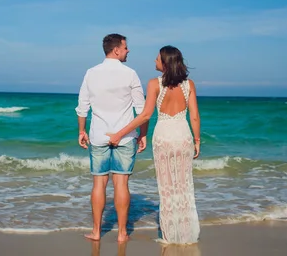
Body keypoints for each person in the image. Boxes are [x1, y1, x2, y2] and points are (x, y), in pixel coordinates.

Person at [108, 45, 201, 244]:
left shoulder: (154, 84)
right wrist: (197, 140)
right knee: (184, 185)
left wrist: (120, 133)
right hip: (183, 135)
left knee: (167, 187)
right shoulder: (189, 85)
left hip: (164, 137)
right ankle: (187, 234)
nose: (154, 61)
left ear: (165, 62)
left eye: (157, 58)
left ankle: (170, 235)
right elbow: (194, 116)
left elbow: (146, 115)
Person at [75, 33, 148, 243]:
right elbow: (141, 109)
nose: (128, 50)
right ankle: (123, 233)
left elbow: (82, 107)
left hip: (98, 135)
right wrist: (143, 134)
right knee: (122, 184)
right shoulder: (130, 74)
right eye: (125, 47)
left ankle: (97, 232)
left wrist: (82, 131)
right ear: (116, 50)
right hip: (125, 137)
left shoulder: (91, 73)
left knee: (98, 184)